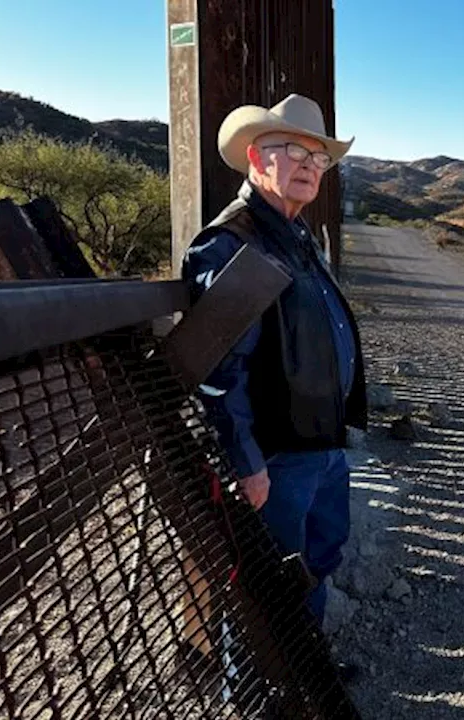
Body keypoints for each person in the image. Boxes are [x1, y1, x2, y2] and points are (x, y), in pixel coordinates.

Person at [181, 94, 366, 630]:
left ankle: (307, 672)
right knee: (267, 580)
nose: (310, 166)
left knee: (317, 559)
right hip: (276, 456)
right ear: (257, 157)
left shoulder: (297, 235)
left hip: (320, 444)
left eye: (320, 158)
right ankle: (262, 694)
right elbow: (217, 370)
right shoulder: (230, 243)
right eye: (296, 152)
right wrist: (246, 461)